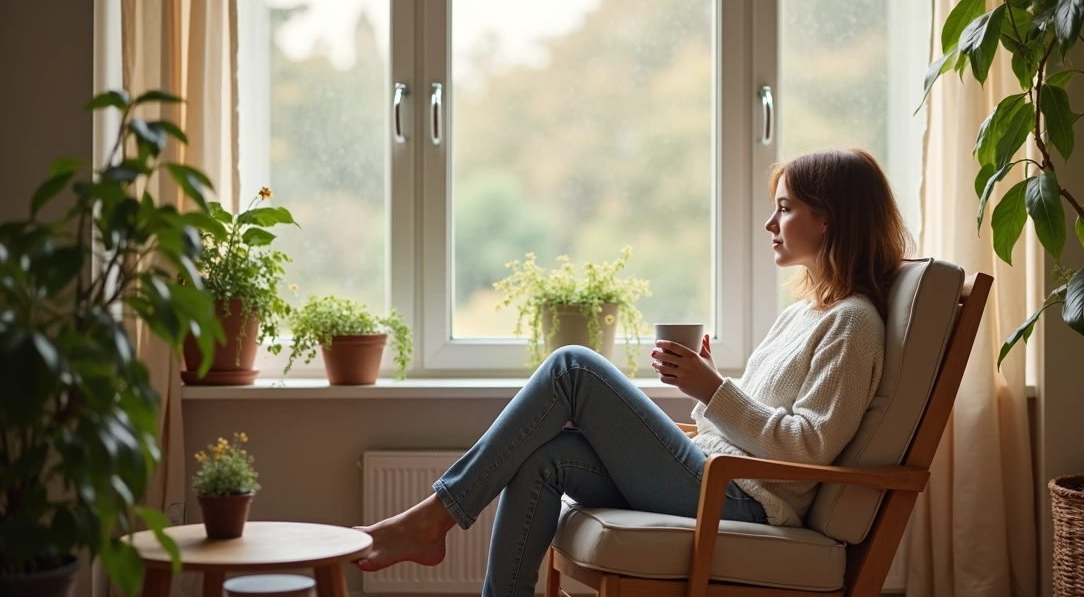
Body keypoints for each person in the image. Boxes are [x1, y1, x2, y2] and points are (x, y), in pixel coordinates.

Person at [353, 148, 912, 597]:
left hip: (741, 500)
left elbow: (808, 449)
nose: (770, 222)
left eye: (785, 208)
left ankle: (433, 520)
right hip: (715, 476)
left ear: (829, 219)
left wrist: (713, 390)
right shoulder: (803, 313)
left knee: (573, 366)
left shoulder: (854, 324)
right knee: (544, 458)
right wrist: (714, 386)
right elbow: (763, 420)